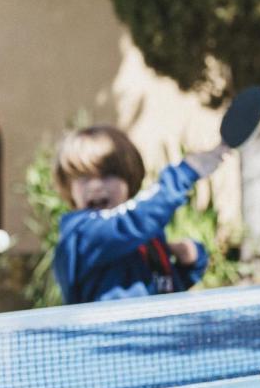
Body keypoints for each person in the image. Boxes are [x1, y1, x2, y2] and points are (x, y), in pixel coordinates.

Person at [52, 125, 229, 304]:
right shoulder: (82, 235)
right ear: (69, 187)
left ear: (128, 179)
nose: (95, 186)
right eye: (83, 177)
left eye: (107, 175)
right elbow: (133, 221)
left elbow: (165, 289)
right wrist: (186, 172)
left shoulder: (145, 238)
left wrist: (192, 262)